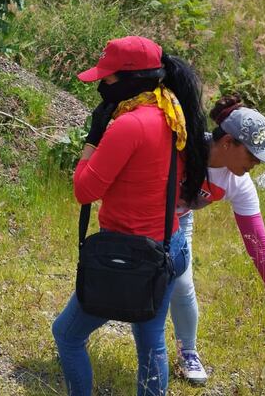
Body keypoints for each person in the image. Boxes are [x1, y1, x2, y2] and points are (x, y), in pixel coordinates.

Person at [52, 35, 209, 396]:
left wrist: (92, 140)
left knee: (67, 334)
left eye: (107, 79)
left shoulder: (129, 125)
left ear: (130, 80)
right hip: (169, 247)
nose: (102, 85)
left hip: (131, 259)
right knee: (151, 340)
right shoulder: (172, 112)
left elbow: (84, 190)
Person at [170, 95, 265, 384]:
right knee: (137, 280)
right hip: (143, 213)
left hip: (179, 219)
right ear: (228, 142)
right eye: (253, 155)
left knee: (181, 283)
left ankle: (188, 351)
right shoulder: (182, 147)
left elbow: (260, 246)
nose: (256, 163)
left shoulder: (238, 182)